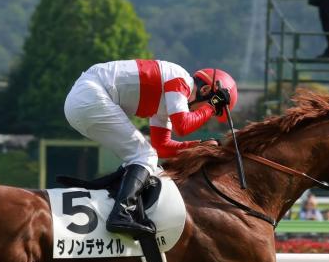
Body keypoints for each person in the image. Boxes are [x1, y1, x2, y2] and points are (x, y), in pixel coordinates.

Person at [64, 59, 235, 237]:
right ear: (206, 91)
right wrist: (211, 106)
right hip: (89, 96)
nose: (207, 115)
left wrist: (199, 146)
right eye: (214, 112)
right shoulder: (180, 80)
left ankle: (117, 199)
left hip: (83, 101)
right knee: (144, 155)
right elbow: (183, 127)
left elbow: (162, 147)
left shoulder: (170, 98)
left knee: (145, 155)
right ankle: (121, 214)